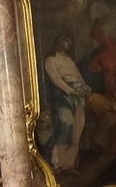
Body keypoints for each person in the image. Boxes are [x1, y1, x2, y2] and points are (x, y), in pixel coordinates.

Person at [42, 34, 91, 171]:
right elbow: (56, 79)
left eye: (69, 43)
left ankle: (70, 165)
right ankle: (56, 163)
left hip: (77, 97)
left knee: (77, 130)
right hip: (62, 98)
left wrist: (85, 88)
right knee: (66, 124)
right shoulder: (51, 59)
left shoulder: (68, 59)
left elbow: (78, 77)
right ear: (58, 42)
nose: (66, 45)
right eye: (64, 41)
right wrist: (72, 91)